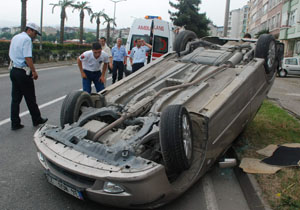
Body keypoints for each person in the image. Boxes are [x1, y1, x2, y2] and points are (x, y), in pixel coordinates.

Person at [9, 22, 48, 130]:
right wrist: (34, 71)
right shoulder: (27, 40)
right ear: (30, 30)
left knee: (15, 99)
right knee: (30, 97)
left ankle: (15, 123)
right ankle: (37, 119)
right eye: (35, 33)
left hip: (13, 70)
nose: (35, 36)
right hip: (23, 72)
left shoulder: (16, 37)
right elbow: (28, 58)